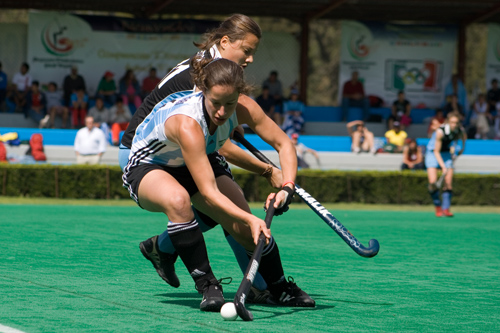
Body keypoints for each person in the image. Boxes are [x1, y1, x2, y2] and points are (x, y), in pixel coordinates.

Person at [123, 57, 314, 312]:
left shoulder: (245, 107)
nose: (223, 112)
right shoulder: (188, 123)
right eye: (215, 103)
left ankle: (279, 287)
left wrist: (287, 187)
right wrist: (251, 219)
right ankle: (207, 285)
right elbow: (210, 194)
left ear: (240, 96)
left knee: (244, 230)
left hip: (193, 160)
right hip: (149, 165)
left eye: (230, 104)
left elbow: (283, 143)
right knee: (179, 201)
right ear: (203, 91)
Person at [119, 14, 284, 302]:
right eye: (247, 50)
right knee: (197, 203)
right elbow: (214, 145)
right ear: (224, 42)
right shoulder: (201, 78)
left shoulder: (220, 72)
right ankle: (239, 284)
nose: (250, 59)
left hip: (188, 147)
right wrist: (267, 170)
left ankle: (165, 247)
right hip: (145, 152)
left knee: (229, 209)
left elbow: (216, 140)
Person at [425, 112, 466, 217]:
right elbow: (436, 151)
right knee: (433, 182)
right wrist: (443, 166)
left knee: (448, 183)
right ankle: (438, 206)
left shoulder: (459, 130)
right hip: (433, 153)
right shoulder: (440, 132)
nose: (454, 125)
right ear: (447, 122)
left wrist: (462, 149)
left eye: (456, 123)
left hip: (446, 153)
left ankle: (446, 209)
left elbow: (463, 137)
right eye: (452, 122)